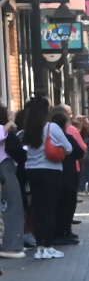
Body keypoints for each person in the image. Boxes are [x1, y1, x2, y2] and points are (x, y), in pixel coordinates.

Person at [19, 98, 68, 260]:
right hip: (51, 172)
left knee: (38, 209)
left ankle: (40, 247)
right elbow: (68, 147)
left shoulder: (28, 129)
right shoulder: (51, 127)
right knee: (50, 209)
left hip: (32, 172)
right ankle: (48, 246)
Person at [54, 110, 84, 245]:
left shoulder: (50, 138)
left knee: (59, 204)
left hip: (55, 175)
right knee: (68, 204)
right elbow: (79, 152)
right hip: (69, 174)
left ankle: (62, 232)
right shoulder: (67, 138)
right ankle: (64, 232)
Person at [0, 106, 26, 259]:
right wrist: (5, 129)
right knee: (13, 206)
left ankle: (10, 243)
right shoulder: (4, 129)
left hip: (6, 168)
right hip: (5, 168)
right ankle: (11, 245)